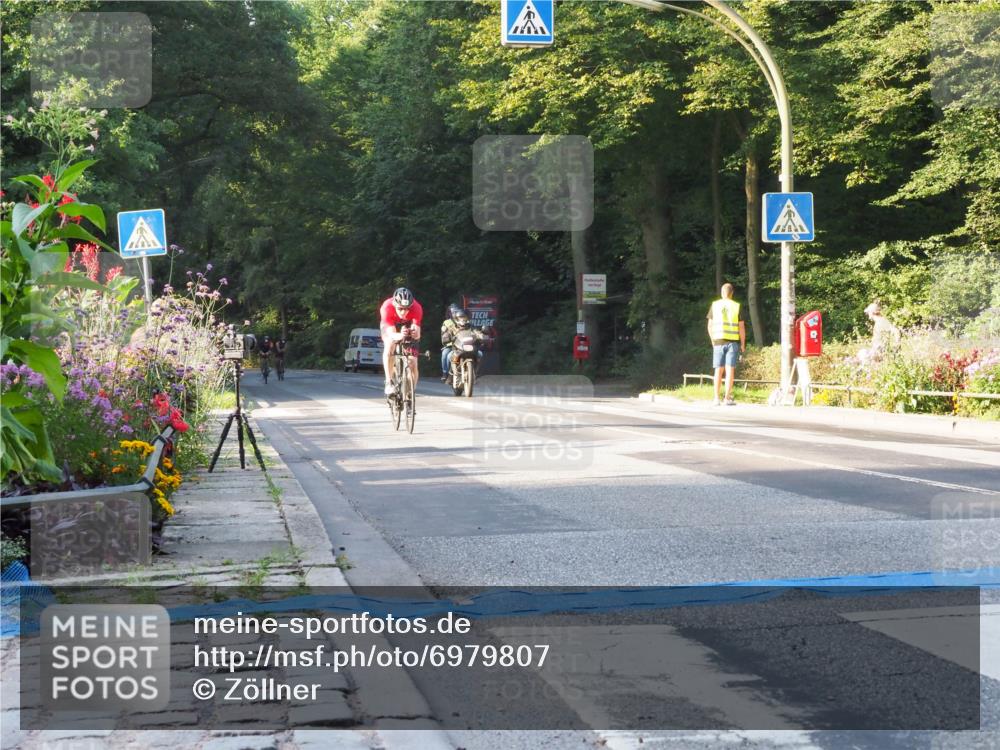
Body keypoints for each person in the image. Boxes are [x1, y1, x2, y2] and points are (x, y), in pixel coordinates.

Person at [707, 283, 746, 406]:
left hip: (718, 341)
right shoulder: (736, 306)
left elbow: (710, 325)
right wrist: (743, 344)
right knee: (730, 370)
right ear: (732, 293)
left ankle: (716, 398)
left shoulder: (715, 305)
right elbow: (741, 328)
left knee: (718, 370)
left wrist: (713, 340)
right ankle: (727, 398)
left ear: (722, 292)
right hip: (733, 342)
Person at [379, 287, 423, 396]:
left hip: (407, 325)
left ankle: (410, 393)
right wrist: (400, 335)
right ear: (395, 304)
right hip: (391, 325)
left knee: (413, 362)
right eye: (400, 308)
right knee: (390, 345)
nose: (404, 311)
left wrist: (413, 334)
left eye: (407, 308)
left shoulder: (417, 308)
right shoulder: (387, 307)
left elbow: (417, 334)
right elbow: (391, 334)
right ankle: (389, 382)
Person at [442, 308, 485, 384]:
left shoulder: (470, 326)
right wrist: (446, 337)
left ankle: (475, 373)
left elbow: (476, 332)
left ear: (467, 318)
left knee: (480, 354)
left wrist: (482, 336)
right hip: (457, 348)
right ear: (456, 319)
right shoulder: (453, 327)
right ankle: (449, 375)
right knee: (449, 356)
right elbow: (447, 334)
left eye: (464, 318)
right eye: (460, 318)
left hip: (469, 347)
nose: (462, 320)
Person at [440, 304, 460, 382]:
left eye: (456, 312)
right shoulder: (447, 322)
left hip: (461, 343)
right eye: (452, 312)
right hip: (450, 345)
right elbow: (444, 334)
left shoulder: (463, 320)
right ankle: (446, 373)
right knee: (445, 355)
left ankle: (472, 372)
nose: (454, 313)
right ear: (449, 313)